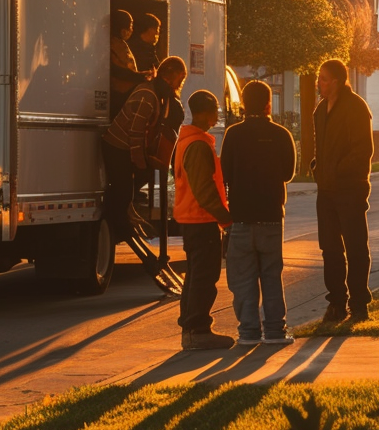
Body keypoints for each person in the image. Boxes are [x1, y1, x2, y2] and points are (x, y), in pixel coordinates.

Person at [221, 80, 297, 345]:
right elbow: (288, 173)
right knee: (271, 275)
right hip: (271, 215)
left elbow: (225, 174)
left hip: (241, 216)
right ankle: (275, 331)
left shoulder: (233, 134)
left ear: (243, 103)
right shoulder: (281, 134)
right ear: (269, 103)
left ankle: (248, 332)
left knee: (243, 279)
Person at [311, 59, 374, 324]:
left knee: (356, 247)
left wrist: (337, 170)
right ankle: (336, 302)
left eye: (324, 79)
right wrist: (318, 166)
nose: (319, 83)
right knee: (330, 249)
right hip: (326, 191)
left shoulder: (356, 107)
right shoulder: (319, 111)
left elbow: (364, 150)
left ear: (337, 81)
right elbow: (321, 147)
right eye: (319, 78)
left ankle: (359, 303)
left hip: (350, 189)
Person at [174, 90, 235, 350]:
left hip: (191, 217)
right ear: (206, 112)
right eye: (215, 110)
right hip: (201, 219)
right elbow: (204, 189)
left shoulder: (187, 140)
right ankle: (197, 330)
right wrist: (226, 219)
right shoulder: (197, 145)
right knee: (203, 276)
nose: (217, 115)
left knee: (194, 276)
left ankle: (191, 328)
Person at [102, 57, 186, 242]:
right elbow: (136, 130)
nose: (180, 84)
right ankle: (116, 230)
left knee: (128, 187)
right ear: (169, 75)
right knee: (122, 191)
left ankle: (122, 224)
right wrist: (139, 161)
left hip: (124, 145)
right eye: (180, 79)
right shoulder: (148, 95)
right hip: (116, 145)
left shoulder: (157, 93)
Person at [109, 9, 152, 119]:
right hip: (120, 95)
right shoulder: (114, 44)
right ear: (122, 29)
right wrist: (142, 77)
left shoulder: (119, 44)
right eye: (130, 25)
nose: (131, 30)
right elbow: (117, 71)